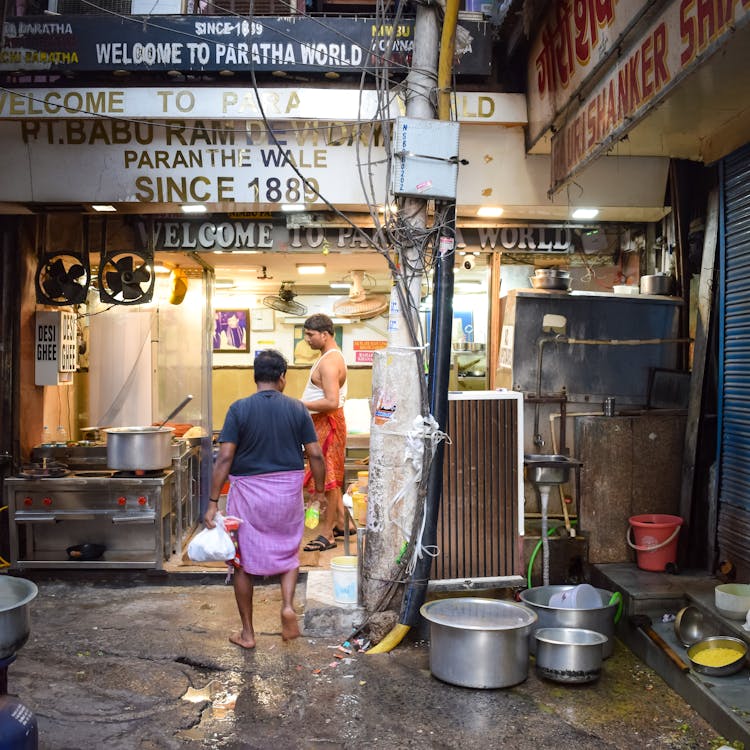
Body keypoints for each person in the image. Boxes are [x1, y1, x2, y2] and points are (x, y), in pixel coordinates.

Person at [204, 349, 326, 648]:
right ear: (282, 378)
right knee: (288, 553)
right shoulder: (298, 409)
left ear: (255, 377)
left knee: (242, 562)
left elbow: (225, 457)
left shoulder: (238, 409)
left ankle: (248, 633)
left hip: (248, 495)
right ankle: (287, 605)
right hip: (287, 492)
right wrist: (319, 492)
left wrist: (211, 501)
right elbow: (315, 454)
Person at [300, 313, 349, 553]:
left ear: (325, 334)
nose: (306, 339)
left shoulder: (329, 362)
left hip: (328, 424)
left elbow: (331, 401)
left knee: (329, 481)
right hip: (324, 423)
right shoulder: (330, 357)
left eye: (310, 335)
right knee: (332, 479)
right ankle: (341, 523)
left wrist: (300, 405)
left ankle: (327, 534)